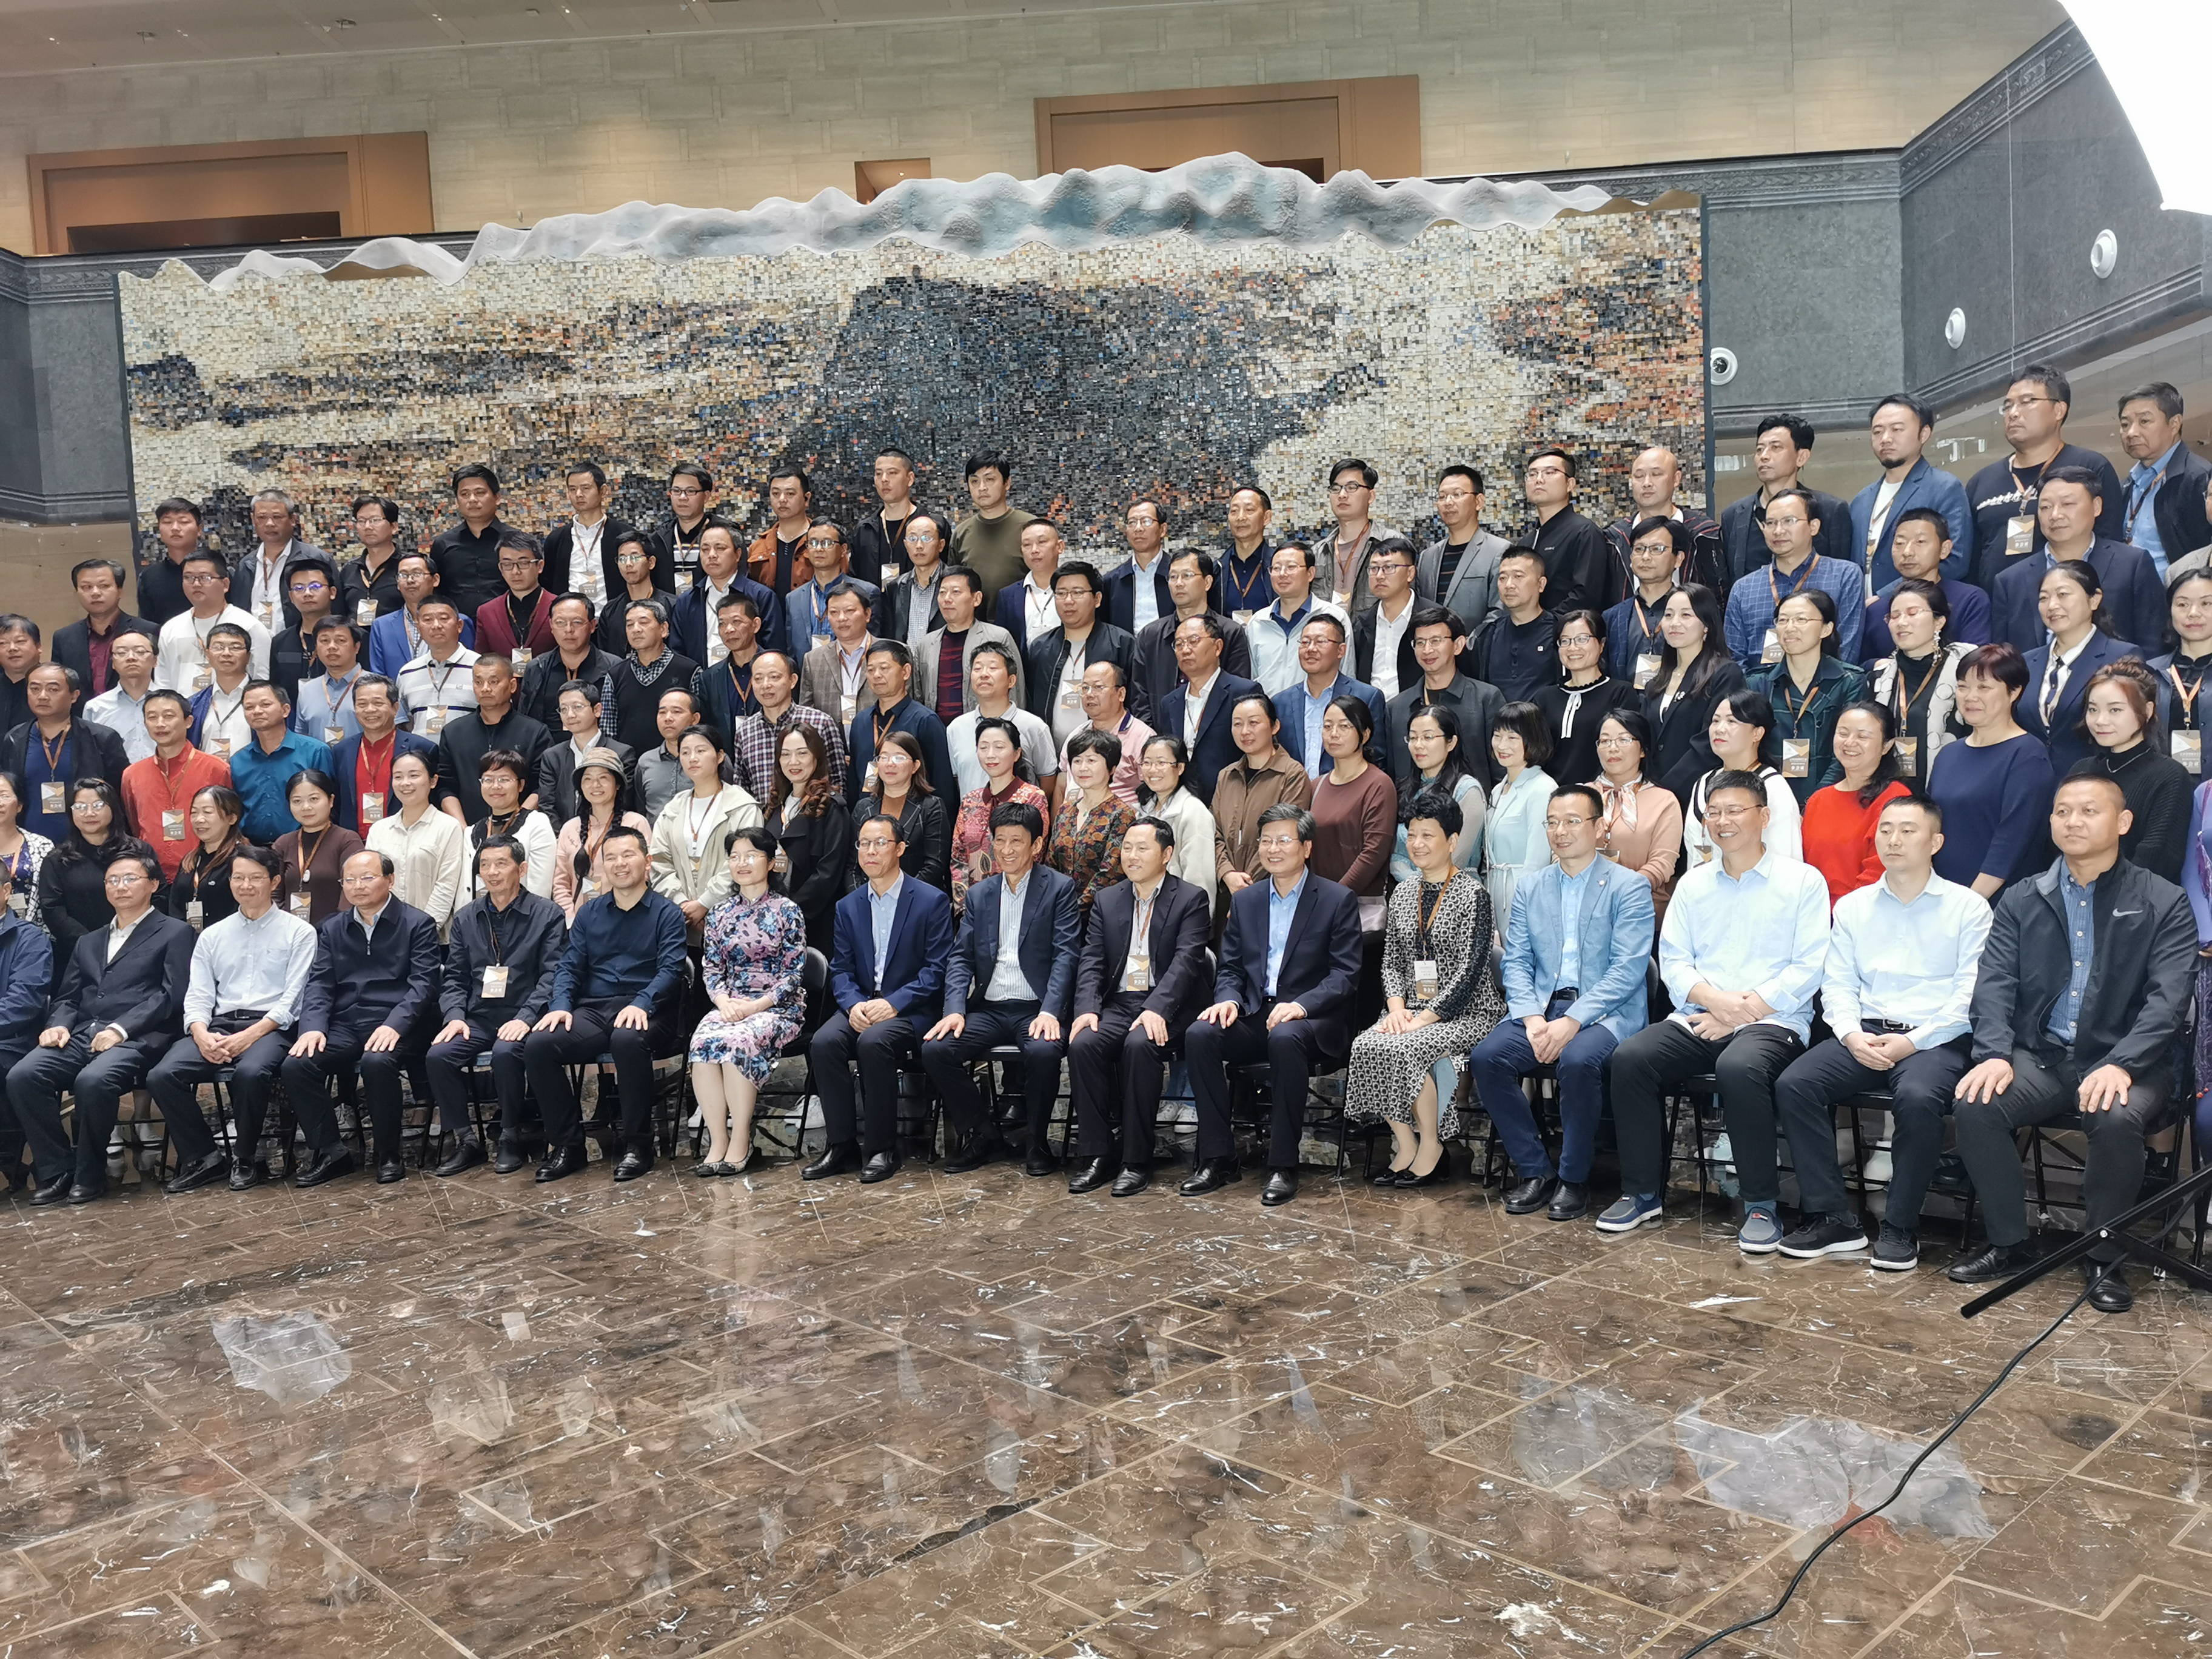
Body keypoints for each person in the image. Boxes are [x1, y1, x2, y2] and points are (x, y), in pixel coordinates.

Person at [1948, 774, 2194, 1313]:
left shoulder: (2163, 899)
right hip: (2043, 1057)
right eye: (2062, 812)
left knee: (2115, 1115)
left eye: (2088, 811)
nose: (2073, 822)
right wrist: (1994, 1053)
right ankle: (2010, 1243)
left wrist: (2123, 1062)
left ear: (2123, 823)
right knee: (1976, 1103)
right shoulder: (2022, 897)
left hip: (2129, 1061)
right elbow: (1994, 984)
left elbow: (2169, 999)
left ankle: (2103, 1255)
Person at [1600, 771, 1831, 1250]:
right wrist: (1717, 1003)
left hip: (1773, 1020)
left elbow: (1810, 965)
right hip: (1701, 1014)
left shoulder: (1802, 881)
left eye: (1735, 811)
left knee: (1739, 1066)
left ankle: (1761, 1204)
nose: (1723, 822)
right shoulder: (1694, 884)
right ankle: (1642, 1193)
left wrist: (1742, 1011)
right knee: (1631, 1058)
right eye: (1714, 813)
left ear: (1764, 817)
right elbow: (1675, 961)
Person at [1771, 796, 1990, 1268]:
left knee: (1917, 1097)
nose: (1893, 839)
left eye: (1908, 830)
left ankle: (1900, 1226)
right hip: (1865, 1032)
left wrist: (1912, 1042)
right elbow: (1838, 984)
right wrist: (1851, 1035)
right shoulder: (1854, 907)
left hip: (1935, 1038)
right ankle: (1831, 1218)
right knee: (1795, 1084)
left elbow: (1968, 996)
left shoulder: (1967, 908)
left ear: (1936, 842)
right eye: (1886, 829)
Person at [1469, 783, 1653, 1218]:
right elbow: (1516, 962)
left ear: (1600, 827)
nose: (1560, 831)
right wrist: (1532, 1018)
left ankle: (1573, 1178)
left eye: (1572, 821)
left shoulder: (1629, 887)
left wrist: (1574, 1021)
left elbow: (1627, 970)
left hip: (1605, 1012)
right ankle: (1536, 1171)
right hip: (1542, 1008)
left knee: (1577, 1061)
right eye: (1552, 823)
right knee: (1488, 1058)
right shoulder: (1532, 887)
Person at [1184, 804, 1364, 1207]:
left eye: (1284, 840)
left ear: (1306, 847)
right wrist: (1228, 1000)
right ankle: (1218, 1157)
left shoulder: (1336, 899)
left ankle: (1283, 1164)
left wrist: (1301, 1006)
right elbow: (1230, 967)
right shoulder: (1247, 901)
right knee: (1200, 1035)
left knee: (1285, 1038)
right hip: (1254, 1011)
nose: (1273, 849)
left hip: (1311, 1019)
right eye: (1266, 841)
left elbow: (1345, 974)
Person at [5, 849, 193, 1205]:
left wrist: (121, 1029)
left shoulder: (175, 932)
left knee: (92, 1081)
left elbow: (171, 996)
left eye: (130, 879)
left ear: (154, 884)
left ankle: (89, 1174)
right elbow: (68, 997)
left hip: (138, 1038)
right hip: (82, 1035)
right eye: (112, 880)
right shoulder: (89, 940)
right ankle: (58, 1170)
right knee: (24, 1076)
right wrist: (58, 1025)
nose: (120, 887)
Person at [1347, 788, 1509, 1187]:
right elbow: (1391, 961)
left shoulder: (1474, 895)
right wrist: (1397, 1009)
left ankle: (1432, 1147)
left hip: (1469, 1012)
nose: (1417, 844)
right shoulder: (1403, 893)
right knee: (1367, 1043)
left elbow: (1470, 974)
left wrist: (1421, 1021)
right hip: (1412, 1011)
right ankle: (1405, 1144)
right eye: (1412, 835)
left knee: (1407, 1047)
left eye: (1428, 835)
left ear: (1452, 842)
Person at [147, 845, 317, 1194]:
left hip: (272, 1027)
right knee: (162, 1075)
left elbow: (293, 999)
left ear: (274, 882)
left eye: (255, 878)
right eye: (238, 878)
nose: (245, 886)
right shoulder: (213, 935)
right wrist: (200, 1032)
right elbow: (198, 995)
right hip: (219, 1025)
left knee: (251, 1072)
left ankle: (245, 1157)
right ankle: (205, 1157)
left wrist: (249, 1036)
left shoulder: (299, 932)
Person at [922, 801, 1080, 1175]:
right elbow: (961, 958)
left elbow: (1066, 955)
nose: (1006, 850)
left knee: (1044, 1052)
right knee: (936, 1050)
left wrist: (1050, 1011)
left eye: (1016, 841)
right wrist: (954, 1009)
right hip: (990, 1007)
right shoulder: (980, 894)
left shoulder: (1059, 889)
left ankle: (1037, 1141)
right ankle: (984, 1134)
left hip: (1036, 1008)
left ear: (1036, 845)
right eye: (1000, 840)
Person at [527, 825, 690, 1181]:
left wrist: (642, 1003)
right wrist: (560, 1006)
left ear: (647, 862)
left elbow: (671, 970)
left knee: (626, 1039)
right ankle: (569, 1147)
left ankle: (638, 1146)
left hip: (649, 1010)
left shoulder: (667, 913)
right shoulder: (589, 913)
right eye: (611, 857)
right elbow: (569, 966)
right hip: (595, 1008)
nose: (620, 864)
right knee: (539, 1044)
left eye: (628, 855)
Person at [802, 812, 957, 1184]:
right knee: (823, 1043)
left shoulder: (931, 901)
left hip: (912, 1009)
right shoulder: (848, 905)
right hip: (862, 1004)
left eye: (880, 843)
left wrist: (894, 1003)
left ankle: (882, 1149)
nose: (870, 852)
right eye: (864, 844)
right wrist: (853, 1004)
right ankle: (841, 1146)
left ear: (900, 848)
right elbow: (841, 970)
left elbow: (937, 970)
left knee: (874, 1043)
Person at [1065, 817, 1213, 1195]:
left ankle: (1136, 1159)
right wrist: (1087, 1009)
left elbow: (1186, 962)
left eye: (1142, 848)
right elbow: (1092, 959)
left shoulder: (1191, 898)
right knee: (1083, 1043)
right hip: (1121, 1003)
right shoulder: (1108, 899)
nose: (1131, 856)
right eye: (1127, 847)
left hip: (1172, 1005)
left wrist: (1157, 1008)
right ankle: (1098, 1154)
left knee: (1139, 1045)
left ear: (1166, 854)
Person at [423, 834, 566, 1177]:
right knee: (438, 1056)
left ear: (522, 868)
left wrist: (526, 1017)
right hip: (479, 1017)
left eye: (501, 864)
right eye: (485, 865)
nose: (492, 872)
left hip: (526, 1015)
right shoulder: (466, 917)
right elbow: (455, 977)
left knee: (506, 1053)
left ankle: (510, 1136)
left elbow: (553, 974)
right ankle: (467, 1141)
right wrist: (454, 1016)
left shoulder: (547, 914)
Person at [686, 828, 809, 1176]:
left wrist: (756, 1007)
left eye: (752, 855)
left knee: (737, 1040)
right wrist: (723, 1002)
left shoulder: (787, 911)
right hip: (731, 1005)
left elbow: (794, 973)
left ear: (770, 863)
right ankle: (718, 1141)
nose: (742, 863)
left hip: (777, 1008)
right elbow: (712, 968)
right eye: (735, 856)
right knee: (702, 1041)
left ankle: (741, 1138)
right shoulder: (719, 913)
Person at [1966, 364, 2126, 590]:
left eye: (2027, 402)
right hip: (1998, 605)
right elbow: (1972, 563)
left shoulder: (2090, 467)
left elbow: (2110, 548)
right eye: (2008, 406)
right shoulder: (1981, 482)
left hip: (2070, 603)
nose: (2013, 413)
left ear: (2059, 410)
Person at [1925, 643, 2059, 899]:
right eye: (1963, 687)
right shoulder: (1948, 754)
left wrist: (1969, 904)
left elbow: (2011, 842)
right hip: (1941, 896)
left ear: (2014, 692)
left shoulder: (2028, 755)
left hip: (1998, 901)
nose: (1970, 697)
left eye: (1984, 688)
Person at [1991, 466, 2163, 655]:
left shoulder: (2132, 565)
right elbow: (2002, 659)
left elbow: (2154, 644)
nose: (2055, 515)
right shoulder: (2010, 581)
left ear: (2096, 507)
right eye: (2046, 507)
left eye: (2068, 504)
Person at [2017, 558, 2143, 779]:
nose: (2052, 605)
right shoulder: (2027, 662)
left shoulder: (2121, 657)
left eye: (2063, 594)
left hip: (2097, 780)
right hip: (2031, 782)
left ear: (2094, 599)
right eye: (2044, 598)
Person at [1723, 488, 1865, 669]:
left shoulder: (1845, 576)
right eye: (1771, 523)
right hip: (1757, 685)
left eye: (1789, 521)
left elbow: (1847, 653)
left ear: (1814, 527)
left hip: (1827, 684)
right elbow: (1734, 659)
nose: (1778, 531)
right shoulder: (1743, 589)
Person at [1749, 589, 1866, 805]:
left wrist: (1817, 802)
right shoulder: (1758, 683)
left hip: (1833, 798)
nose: (1789, 627)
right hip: (1769, 801)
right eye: (1782, 620)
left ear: (1826, 628)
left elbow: (1848, 752)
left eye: (1801, 620)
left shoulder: (1849, 681)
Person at [649, 724, 763, 943]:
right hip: (680, 922)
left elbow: (745, 861)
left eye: (701, 751)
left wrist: (705, 903)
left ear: (720, 756)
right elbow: (659, 861)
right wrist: (683, 904)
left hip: (734, 924)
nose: (692, 758)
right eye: (685, 752)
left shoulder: (742, 807)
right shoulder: (673, 809)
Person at [2079, 662, 2191, 883]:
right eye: (2093, 710)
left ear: (2147, 711)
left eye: (2115, 710)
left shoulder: (2169, 776)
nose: (2100, 721)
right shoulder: (2081, 770)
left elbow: (2157, 858)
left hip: (2135, 897)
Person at [1849, 394, 1974, 591]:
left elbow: (1955, 561)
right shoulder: (1861, 500)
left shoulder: (1944, 488)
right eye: (1878, 432)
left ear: (1924, 434)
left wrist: (1885, 597)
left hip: (1916, 604)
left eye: (1897, 429)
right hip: (1863, 608)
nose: (1885, 439)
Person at [0, 663, 130, 843]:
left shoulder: (102, 738)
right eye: (35, 689)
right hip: (31, 845)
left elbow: (120, 797)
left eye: (53, 689)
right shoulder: (15, 738)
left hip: (89, 845)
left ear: (74, 696)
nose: (42, 696)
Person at [1717, 415, 1854, 586]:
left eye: (1776, 447)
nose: (1764, 456)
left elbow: (1843, 577)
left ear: (1801, 457)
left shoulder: (1830, 510)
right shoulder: (1734, 515)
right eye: (1759, 450)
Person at [1801, 702, 1912, 907]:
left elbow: (1882, 872)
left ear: (1886, 746)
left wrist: (1842, 914)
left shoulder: (1896, 799)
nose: (1850, 742)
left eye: (1863, 736)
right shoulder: (1819, 799)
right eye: (1843, 733)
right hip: (1814, 913)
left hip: (1865, 913)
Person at [1643, 583, 1746, 805]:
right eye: (1668, 615)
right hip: (1654, 795)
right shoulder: (1655, 683)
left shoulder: (1725, 673)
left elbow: (1710, 743)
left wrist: (1664, 791)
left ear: (1706, 624)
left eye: (1686, 615)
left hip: (1700, 794)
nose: (1674, 623)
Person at [1211, 691, 1315, 907]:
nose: (1245, 731)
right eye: (1237, 724)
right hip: (1227, 889)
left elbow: (1284, 837)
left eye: (1254, 723)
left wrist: (1247, 889)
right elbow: (1215, 832)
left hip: (1273, 892)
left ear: (1274, 726)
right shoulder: (1226, 776)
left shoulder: (1292, 774)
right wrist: (1227, 873)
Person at [1866, 578, 1974, 785]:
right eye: (1894, 616)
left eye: (1913, 613)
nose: (1901, 622)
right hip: (1890, 793)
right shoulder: (1879, 679)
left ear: (1939, 621)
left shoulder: (1965, 673)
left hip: (1952, 787)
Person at [1128, 550, 1255, 725]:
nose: (1179, 583)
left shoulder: (1230, 632)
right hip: (1161, 735)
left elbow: (1239, 695)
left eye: (1187, 575)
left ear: (1208, 582)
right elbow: (1140, 699)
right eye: (1173, 577)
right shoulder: (1150, 636)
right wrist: (1155, 737)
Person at [1388, 604, 1503, 794]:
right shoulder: (1397, 708)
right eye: (1420, 642)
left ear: (1458, 645)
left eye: (1436, 641)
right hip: (1412, 810)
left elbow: (1502, 771)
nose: (1427, 650)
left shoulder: (1486, 699)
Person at [1024, 563, 1137, 754]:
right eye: (1061, 593)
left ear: (1097, 599)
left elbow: (1134, 700)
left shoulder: (1121, 643)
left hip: (1108, 753)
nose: (1068, 601)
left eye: (1077, 593)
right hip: (1052, 754)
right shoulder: (1041, 647)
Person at [38, 780, 151, 970]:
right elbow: (53, 909)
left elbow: (158, 896)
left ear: (113, 808)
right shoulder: (57, 860)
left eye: (98, 805)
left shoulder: (139, 851)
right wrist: (91, 944)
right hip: (80, 954)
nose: (89, 813)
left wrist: (131, 940)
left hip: (139, 949)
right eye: (80, 807)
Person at [1684, 687, 1802, 866]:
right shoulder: (1703, 783)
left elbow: (1785, 861)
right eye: (1715, 721)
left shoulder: (1773, 787)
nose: (1719, 729)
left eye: (1732, 721)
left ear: (1757, 733)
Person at [1308, 696, 1396, 930]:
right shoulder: (1316, 786)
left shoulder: (1379, 784)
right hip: (1317, 906)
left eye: (1344, 726)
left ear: (1365, 735)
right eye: (1328, 726)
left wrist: (1336, 898)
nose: (1334, 734)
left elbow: (1373, 853)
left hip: (1360, 909)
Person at [431, 655, 551, 825]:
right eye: (478, 682)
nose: (485, 689)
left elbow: (542, 786)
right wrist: (464, 830)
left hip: (522, 829)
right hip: (467, 828)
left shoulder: (535, 732)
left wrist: (517, 824)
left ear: (512, 686)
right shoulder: (453, 732)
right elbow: (446, 787)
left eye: (494, 682)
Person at [1859, 508, 1992, 662]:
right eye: (1900, 543)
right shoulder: (1876, 610)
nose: (1907, 552)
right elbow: (1861, 665)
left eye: (1920, 542)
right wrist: (1880, 666)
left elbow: (1978, 662)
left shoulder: (1970, 600)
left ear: (1945, 549)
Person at [1158, 614, 1261, 806]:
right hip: (1181, 804)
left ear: (1218, 647)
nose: (1185, 650)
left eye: (1193, 641)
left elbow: (1258, 753)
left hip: (1231, 801)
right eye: (1179, 644)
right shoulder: (1170, 702)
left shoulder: (1243, 692)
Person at [950, 717, 1050, 914]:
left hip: (1020, 904)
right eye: (983, 747)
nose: (990, 755)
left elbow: (1036, 855)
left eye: (999, 747)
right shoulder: (970, 800)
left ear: (1016, 753)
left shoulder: (1033, 797)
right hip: (974, 906)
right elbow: (958, 857)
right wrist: (964, 907)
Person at [944, 628, 1057, 801]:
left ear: (1011, 680)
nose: (984, 674)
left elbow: (1048, 782)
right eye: (977, 668)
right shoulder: (956, 728)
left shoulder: (1034, 726)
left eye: (993, 668)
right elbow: (959, 780)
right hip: (972, 816)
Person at [364, 750, 468, 938]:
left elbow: (446, 886)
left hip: (431, 937)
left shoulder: (449, 827)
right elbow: (371, 882)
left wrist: (422, 932)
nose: (405, 783)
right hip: (384, 934)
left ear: (433, 781)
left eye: (414, 776)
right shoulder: (379, 829)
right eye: (398, 777)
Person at [1271, 614, 1388, 778]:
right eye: (1305, 642)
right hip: (1293, 791)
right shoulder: (1281, 702)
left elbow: (1377, 758)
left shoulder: (1366, 697)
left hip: (1347, 790)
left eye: (1321, 642)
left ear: (1341, 651)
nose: (1311, 649)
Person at [1532, 609, 1637, 786]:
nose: (1573, 648)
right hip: (1549, 794)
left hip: (1602, 792)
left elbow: (1626, 751)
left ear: (1602, 644)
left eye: (1582, 639)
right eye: (1565, 641)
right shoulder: (1544, 697)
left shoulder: (1620, 693)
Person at [845, 639, 954, 811]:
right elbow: (853, 783)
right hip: (867, 818)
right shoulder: (861, 722)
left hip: (913, 819)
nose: (877, 675)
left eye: (884, 668)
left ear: (906, 672)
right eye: (871, 670)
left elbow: (942, 783)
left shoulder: (925, 720)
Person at [2118, 381, 2211, 579]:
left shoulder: (2199, 478)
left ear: (2174, 424)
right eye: (2125, 424)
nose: (2131, 433)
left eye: (2144, 421)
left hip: (2178, 593)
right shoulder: (2129, 483)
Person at [730, 649, 848, 803]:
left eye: (774, 677)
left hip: (814, 814)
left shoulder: (820, 723)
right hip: (764, 817)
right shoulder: (745, 732)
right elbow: (742, 790)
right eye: (758, 679)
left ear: (792, 680)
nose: (766, 685)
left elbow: (838, 782)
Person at [1604, 446, 1726, 593]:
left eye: (1656, 474)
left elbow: (1720, 596)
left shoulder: (1705, 534)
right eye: (1639, 476)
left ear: (1676, 479)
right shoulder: (1614, 539)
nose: (1647, 483)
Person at [226, 679, 333, 846]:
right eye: (249, 707)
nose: (257, 711)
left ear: (285, 710)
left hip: (305, 845)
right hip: (253, 849)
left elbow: (330, 806)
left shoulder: (315, 752)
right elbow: (235, 808)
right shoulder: (238, 761)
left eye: (265, 704)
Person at [915, 567, 1027, 723]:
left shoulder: (998, 637)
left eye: (956, 592)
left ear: (977, 599)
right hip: (937, 730)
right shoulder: (926, 644)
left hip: (987, 729)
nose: (947, 599)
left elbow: (1016, 692)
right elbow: (918, 696)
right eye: (942, 593)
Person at [552, 749, 652, 922]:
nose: (595, 785)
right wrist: (571, 920)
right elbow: (560, 883)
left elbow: (646, 875)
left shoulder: (635, 823)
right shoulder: (570, 828)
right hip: (578, 924)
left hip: (626, 921)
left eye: (603, 778)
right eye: (588, 779)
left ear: (618, 784)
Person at [1481, 701, 1558, 930]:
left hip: (1523, 898)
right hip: (1494, 893)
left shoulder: (1543, 788)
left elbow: (1537, 862)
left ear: (1533, 739)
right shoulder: (1498, 790)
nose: (1502, 745)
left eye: (1512, 738)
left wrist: (1523, 907)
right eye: (1497, 736)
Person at [1047, 728, 1136, 923]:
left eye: (1091, 760)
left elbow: (1110, 873)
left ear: (1112, 768)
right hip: (1059, 912)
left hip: (1101, 916)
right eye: (1077, 761)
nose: (1083, 768)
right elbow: (1051, 863)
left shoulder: (1122, 814)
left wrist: (1074, 909)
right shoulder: (1066, 810)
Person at [155, 550, 272, 694]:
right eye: (189, 578)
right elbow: (163, 682)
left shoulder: (249, 626)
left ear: (225, 584)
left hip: (234, 706)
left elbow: (261, 679)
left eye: (205, 578)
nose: (196, 584)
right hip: (183, 707)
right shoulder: (171, 628)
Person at [330, 674, 434, 835]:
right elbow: (337, 804)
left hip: (408, 839)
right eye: (362, 704)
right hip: (353, 843)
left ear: (395, 708)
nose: (370, 710)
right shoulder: (341, 751)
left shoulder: (422, 748)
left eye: (378, 703)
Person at [1390, 705, 1483, 881]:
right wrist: (1412, 884)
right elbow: (1396, 855)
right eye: (1413, 738)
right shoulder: (1405, 789)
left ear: (1451, 743)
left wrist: (1420, 882)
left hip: (1456, 890)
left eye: (1428, 737)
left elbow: (1457, 858)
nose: (1418, 745)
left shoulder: (1467, 790)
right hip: (1409, 891)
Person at [0, 860, 50, 1190]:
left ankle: (9, 1158)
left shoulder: (29, 939)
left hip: (12, 1041)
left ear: (6, 891)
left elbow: (24, 1002)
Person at [600, 595, 702, 756]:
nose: (636, 629)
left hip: (679, 760)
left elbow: (699, 727)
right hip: (627, 764)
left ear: (664, 629)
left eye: (643, 622)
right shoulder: (615, 675)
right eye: (630, 625)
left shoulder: (689, 671)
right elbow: (608, 732)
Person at [850, 727, 945, 896]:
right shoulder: (863, 807)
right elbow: (851, 865)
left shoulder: (931, 807)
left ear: (915, 766)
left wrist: (899, 897)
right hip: (868, 899)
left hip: (916, 899)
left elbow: (934, 864)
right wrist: (863, 898)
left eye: (899, 758)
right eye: (884, 757)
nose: (890, 764)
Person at [1520, 447, 1614, 611]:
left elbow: (1586, 596)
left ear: (1570, 484)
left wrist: (1545, 623)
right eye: (1533, 474)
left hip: (1568, 626)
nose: (1539, 480)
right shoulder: (1527, 542)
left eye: (1549, 473)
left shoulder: (1585, 532)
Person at [53, 558, 155, 707]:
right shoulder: (63, 638)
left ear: (120, 591)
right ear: (77, 593)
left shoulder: (148, 631)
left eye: (104, 586)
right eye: (86, 587)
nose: (95, 593)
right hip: (82, 719)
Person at [1420, 463, 1508, 632]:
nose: (1448, 502)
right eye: (1442, 496)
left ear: (1479, 502)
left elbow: (1500, 612)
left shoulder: (1500, 551)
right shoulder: (1427, 557)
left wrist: (1466, 645)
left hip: (1479, 646)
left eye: (1457, 494)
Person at [540, 462, 637, 614]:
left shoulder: (624, 535)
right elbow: (548, 583)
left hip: (615, 619)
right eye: (573, 489)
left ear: (603, 491)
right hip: (570, 621)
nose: (579, 494)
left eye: (586, 488)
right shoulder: (556, 539)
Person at [1135, 734, 1218, 911]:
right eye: (1147, 763)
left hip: (1176, 913)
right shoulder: (1143, 809)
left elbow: (1200, 879)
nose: (1152, 770)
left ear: (1180, 767)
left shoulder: (1194, 812)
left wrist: (1194, 921)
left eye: (1161, 763)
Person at [462, 750, 558, 900]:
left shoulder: (536, 824)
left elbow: (540, 889)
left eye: (504, 780)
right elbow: (465, 891)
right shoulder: (472, 831)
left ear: (521, 785)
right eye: (488, 780)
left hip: (523, 913)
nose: (496, 786)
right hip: (477, 913)